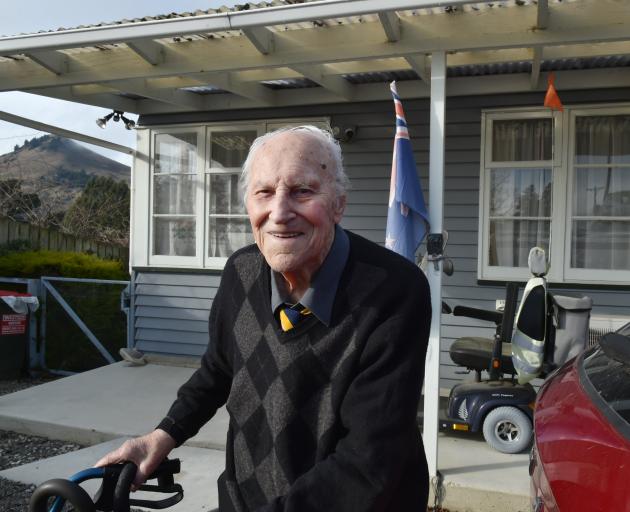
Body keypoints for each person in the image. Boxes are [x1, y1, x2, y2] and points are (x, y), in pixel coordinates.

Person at [96, 125, 432, 511]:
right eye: (264, 192)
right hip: (246, 495)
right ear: (249, 205)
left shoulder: (394, 289)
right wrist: (164, 434)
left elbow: (368, 462)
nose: (280, 213)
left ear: (339, 203)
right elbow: (217, 371)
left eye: (302, 191)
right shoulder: (241, 270)